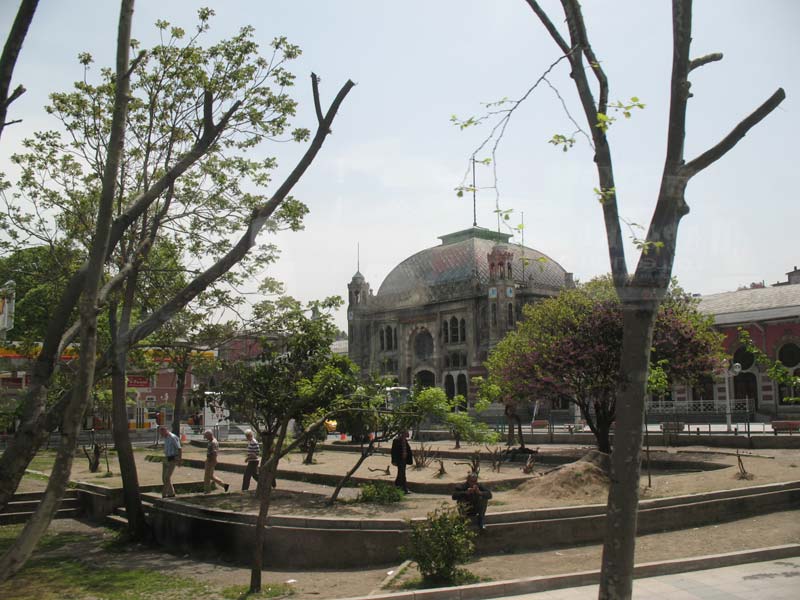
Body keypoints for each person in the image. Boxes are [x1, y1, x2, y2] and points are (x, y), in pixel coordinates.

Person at [159, 425, 182, 498]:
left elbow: (179, 448)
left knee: (167, 477)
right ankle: (171, 493)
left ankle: (164, 494)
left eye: (162, 433)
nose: (161, 435)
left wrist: (179, 460)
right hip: (166, 458)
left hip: (173, 458)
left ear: (165, 431)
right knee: (164, 478)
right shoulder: (166, 438)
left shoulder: (173, 437)